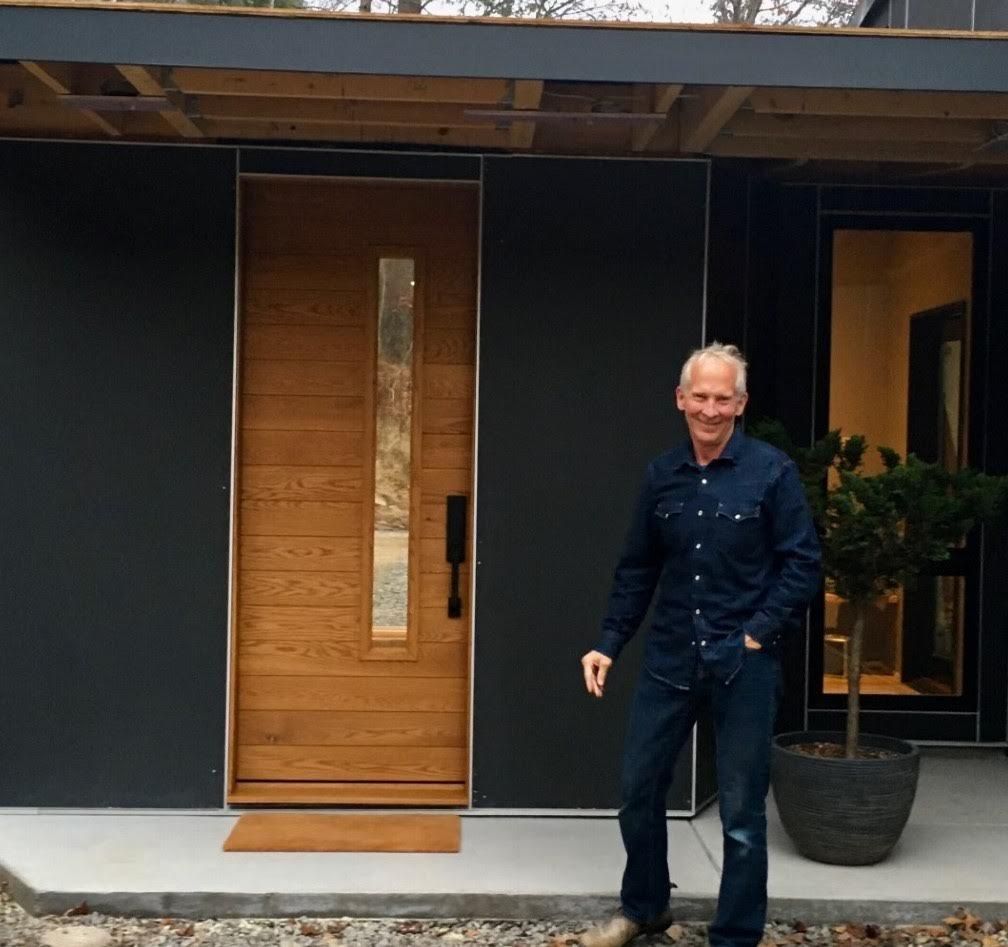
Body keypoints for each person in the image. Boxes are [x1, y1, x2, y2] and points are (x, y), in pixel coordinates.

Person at [579, 343, 821, 947]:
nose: (710, 410)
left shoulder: (772, 473)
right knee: (638, 791)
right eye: (700, 397)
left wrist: (755, 633)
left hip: (746, 663)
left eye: (722, 399)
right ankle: (645, 908)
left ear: (740, 405)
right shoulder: (662, 475)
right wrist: (609, 641)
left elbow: (803, 564)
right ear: (680, 399)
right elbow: (637, 568)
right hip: (669, 657)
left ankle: (735, 936)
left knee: (741, 815)